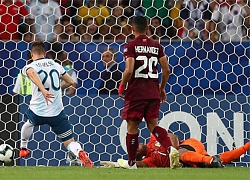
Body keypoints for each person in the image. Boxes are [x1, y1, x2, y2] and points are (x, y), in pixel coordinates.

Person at [118, 16, 179, 169]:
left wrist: (122, 85)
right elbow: (166, 70)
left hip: (136, 93)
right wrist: (162, 88)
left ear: (132, 28)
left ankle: (131, 163)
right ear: (147, 28)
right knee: (153, 125)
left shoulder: (130, 46)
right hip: (153, 92)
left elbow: (129, 70)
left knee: (132, 128)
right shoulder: (156, 46)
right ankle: (170, 148)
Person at [19, 41, 93, 168]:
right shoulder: (56, 65)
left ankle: (23, 147)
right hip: (56, 112)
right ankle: (79, 152)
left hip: (38, 111)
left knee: (28, 123)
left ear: (32, 54)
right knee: (69, 141)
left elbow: (31, 72)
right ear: (45, 53)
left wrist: (43, 90)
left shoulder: (30, 66)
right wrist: (57, 88)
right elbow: (70, 82)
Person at [101, 133, 250, 168]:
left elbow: (173, 136)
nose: (136, 147)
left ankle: (210, 160)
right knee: (219, 160)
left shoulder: (154, 137)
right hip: (191, 158)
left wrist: (173, 150)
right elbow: (136, 165)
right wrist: (119, 164)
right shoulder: (149, 160)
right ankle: (247, 146)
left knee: (181, 155)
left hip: (189, 145)